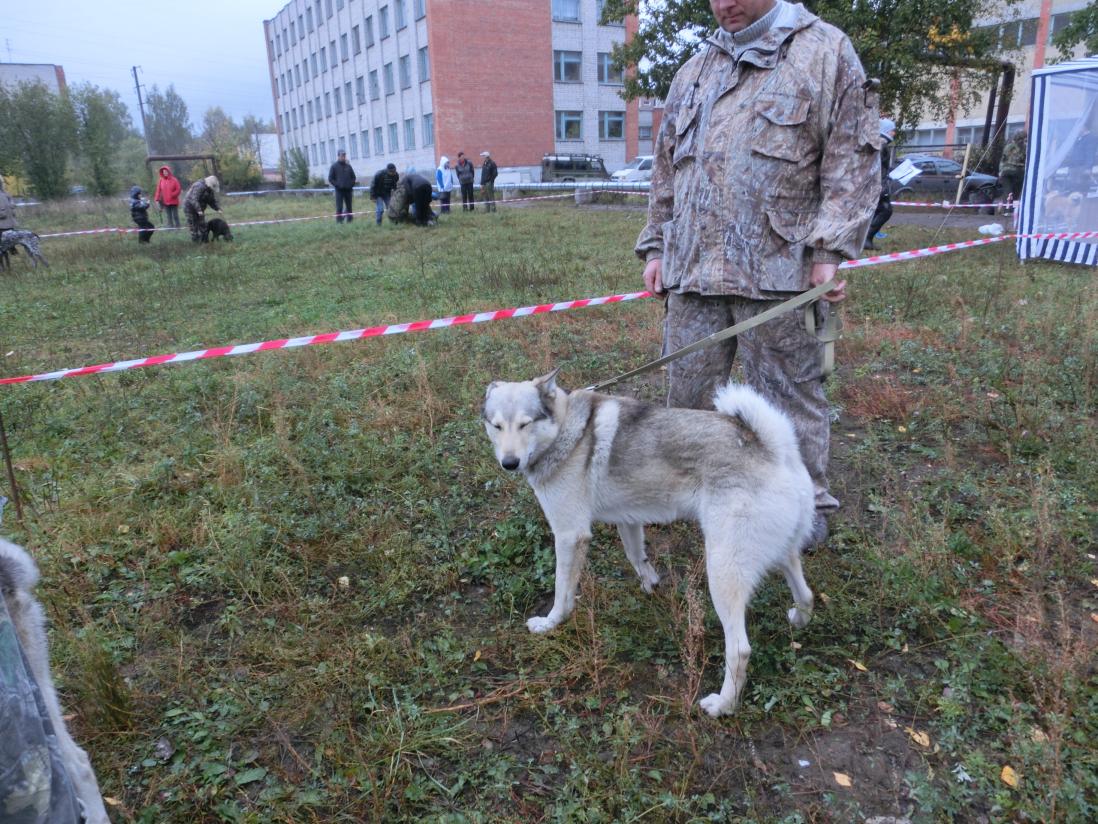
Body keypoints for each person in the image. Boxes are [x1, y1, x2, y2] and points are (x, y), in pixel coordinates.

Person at [634, 0, 880, 544]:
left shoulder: (825, 52)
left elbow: (852, 159)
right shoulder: (695, 70)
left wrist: (829, 250)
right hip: (693, 271)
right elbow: (666, 169)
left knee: (788, 399)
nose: (725, 4)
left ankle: (802, 505)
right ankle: (688, 491)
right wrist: (655, 247)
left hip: (780, 271)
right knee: (687, 396)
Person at [864, 118, 896, 250]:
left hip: (874, 185)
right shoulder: (882, 145)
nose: (894, 133)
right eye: (892, 130)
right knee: (885, 210)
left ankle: (865, 239)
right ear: (886, 130)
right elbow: (876, 168)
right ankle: (866, 239)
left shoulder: (878, 143)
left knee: (878, 210)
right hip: (877, 186)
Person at [183, 175, 222, 243]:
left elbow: (211, 201)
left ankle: (205, 240)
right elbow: (194, 199)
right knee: (193, 225)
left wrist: (218, 209)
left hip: (200, 209)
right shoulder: (199, 186)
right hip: (189, 207)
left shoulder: (209, 190)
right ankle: (196, 241)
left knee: (202, 224)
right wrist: (198, 210)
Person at [998, 130, 1027, 206]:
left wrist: (1000, 172)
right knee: (1016, 192)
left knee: (1008, 191)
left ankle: (1007, 208)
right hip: (1019, 171)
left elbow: (1003, 159)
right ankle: (1012, 207)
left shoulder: (1008, 147)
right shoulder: (1024, 148)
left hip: (1006, 171)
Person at [328, 149, 357, 223]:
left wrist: (351, 185)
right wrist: (337, 185)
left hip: (348, 190)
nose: (343, 157)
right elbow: (330, 178)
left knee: (349, 207)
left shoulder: (348, 166)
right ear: (338, 156)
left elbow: (353, 177)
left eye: (344, 155)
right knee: (339, 207)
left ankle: (350, 221)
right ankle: (339, 222)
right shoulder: (334, 166)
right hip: (339, 191)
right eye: (342, 156)